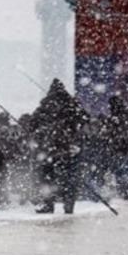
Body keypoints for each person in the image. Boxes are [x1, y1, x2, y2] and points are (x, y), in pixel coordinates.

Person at [32, 79, 87, 214]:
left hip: (50, 148)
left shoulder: (46, 104)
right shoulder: (72, 104)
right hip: (68, 147)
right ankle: (69, 204)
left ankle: (48, 204)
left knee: (47, 177)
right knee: (69, 178)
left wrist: (41, 131)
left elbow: (33, 123)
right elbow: (85, 118)